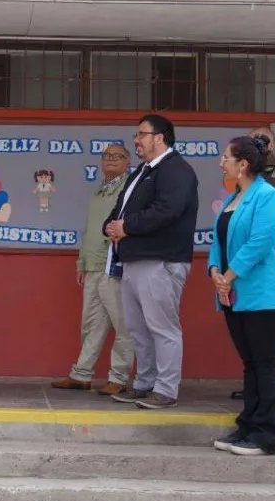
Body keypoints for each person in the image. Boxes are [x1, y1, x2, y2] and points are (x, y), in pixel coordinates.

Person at [104, 114, 199, 410]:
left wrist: (127, 227)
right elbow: (120, 208)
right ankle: (144, 383)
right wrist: (110, 226)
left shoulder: (176, 170)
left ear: (160, 137)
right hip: (134, 261)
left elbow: (166, 210)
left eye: (142, 135)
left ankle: (166, 388)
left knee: (162, 327)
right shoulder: (142, 172)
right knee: (138, 328)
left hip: (160, 260)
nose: (136, 140)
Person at [208, 136, 275, 456]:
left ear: (242, 164)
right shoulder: (235, 196)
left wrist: (228, 277)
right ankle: (248, 425)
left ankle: (268, 434)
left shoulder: (267, 195)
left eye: (226, 157)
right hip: (233, 293)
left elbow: (260, 243)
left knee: (266, 364)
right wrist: (216, 271)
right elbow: (219, 241)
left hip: (262, 295)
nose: (221, 162)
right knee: (250, 364)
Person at [51, 143, 135, 396]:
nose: (110, 160)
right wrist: (82, 262)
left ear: (127, 161)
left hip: (113, 264)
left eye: (117, 156)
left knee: (123, 325)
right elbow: (90, 229)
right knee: (91, 324)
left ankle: (118, 377)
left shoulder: (129, 188)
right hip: (93, 266)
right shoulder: (99, 191)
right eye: (106, 156)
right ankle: (81, 374)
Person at [228, 125, 275, 401]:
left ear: (272, 145)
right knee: (247, 324)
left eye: (263, 139)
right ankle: (256, 384)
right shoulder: (243, 178)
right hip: (242, 262)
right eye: (252, 139)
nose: (258, 143)